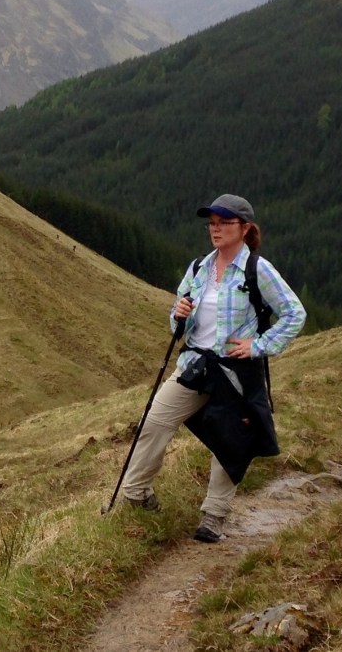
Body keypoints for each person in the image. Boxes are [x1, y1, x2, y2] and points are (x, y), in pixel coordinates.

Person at [120, 193, 306, 542]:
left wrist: (259, 345)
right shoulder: (198, 269)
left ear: (245, 228)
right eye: (212, 223)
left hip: (236, 371)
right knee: (155, 422)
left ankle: (214, 516)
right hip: (195, 365)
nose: (215, 229)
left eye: (224, 223)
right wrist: (179, 315)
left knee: (230, 440)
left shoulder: (257, 269)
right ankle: (137, 494)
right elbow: (177, 320)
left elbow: (295, 313)